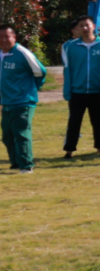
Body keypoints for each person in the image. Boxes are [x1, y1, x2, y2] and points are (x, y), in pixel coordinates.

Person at [61, 15, 100, 157]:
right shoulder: (70, 46)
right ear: (77, 28)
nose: (84, 28)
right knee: (74, 122)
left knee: (98, 121)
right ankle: (69, 150)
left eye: (87, 25)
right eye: (81, 25)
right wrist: (67, 90)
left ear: (93, 26)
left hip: (96, 91)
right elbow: (67, 70)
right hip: (77, 91)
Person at [0, 22, 47, 173]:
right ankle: (16, 163)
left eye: (7, 36)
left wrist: (32, 88)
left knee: (21, 133)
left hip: (23, 101)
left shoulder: (22, 53)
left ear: (14, 37)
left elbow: (40, 71)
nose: (3, 40)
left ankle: (26, 166)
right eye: (0, 37)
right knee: (7, 136)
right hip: (6, 102)